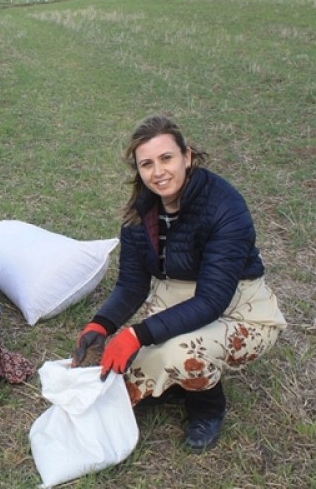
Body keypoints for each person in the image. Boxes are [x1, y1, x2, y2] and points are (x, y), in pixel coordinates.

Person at [72, 114, 286, 453]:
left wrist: (135, 333)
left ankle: (207, 408)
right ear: (138, 170)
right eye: (147, 164)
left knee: (181, 353)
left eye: (166, 158)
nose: (158, 172)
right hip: (179, 294)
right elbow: (131, 285)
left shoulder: (225, 205)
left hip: (241, 307)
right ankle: (176, 385)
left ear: (187, 157)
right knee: (120, 373)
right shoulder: (139, 213)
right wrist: (101, 323)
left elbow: (213, 300)